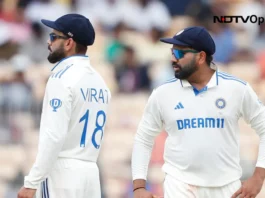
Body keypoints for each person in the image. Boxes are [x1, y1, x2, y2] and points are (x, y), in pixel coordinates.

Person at [131, 26, 265, 198]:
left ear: (201, 57)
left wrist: (259, 177)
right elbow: (143, 139)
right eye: (172, 52)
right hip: (179, 186)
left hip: (226, 188)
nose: (173, 59)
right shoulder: (162, 93)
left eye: (179, 54)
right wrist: (138, 187)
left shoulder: (236, 89)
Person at [17, 14, 111, 198]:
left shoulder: (61, 78)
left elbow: (54, 136)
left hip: (63, 173)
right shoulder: (101, 82)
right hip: (91, 173)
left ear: (69, 43)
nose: (48, 41)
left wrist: (32, 182)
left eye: (53, 37)